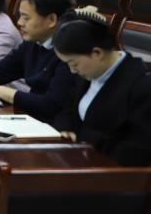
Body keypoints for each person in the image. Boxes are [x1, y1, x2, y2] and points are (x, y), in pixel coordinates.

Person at [52, 10, 151, 166]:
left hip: (113, 170)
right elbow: (70, 108)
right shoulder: (89, 73)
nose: (72, 71)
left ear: (97, 53)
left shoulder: (141, 85)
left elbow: (136, 148)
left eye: (74, 63)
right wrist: (66, 128)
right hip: (81, 158)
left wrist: (84, 140)